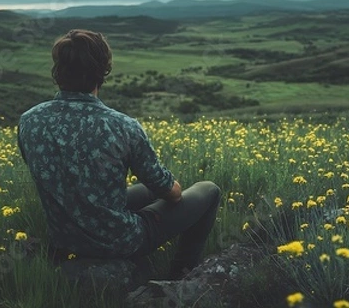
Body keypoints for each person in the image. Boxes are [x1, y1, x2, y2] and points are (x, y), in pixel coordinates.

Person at [17, 29, 221, 279]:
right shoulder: (123, 126)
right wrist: (173, 190)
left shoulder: (29, 120)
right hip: (118, 241)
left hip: (64, 237)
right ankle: (180, 277)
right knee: (209, 190)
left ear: (58, 69)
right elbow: (172, 192)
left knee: (146, 192)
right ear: (102, 70)